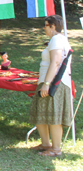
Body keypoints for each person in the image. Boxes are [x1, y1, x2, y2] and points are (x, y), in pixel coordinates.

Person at [29, 15, 72, 157]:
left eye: (46, 25)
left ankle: (56, 149)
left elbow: (56, 61)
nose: (44, 28)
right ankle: (46, 143)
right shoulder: (59, 39)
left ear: (53, 26)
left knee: (54, 117)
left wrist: (47, 84)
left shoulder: (56, 39)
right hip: (48, 80)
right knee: (41, 112)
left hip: (53, 83)